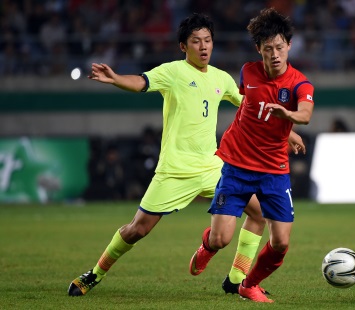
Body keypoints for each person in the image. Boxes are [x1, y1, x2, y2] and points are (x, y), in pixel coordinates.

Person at [67, 13, 305, 297]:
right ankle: (95, 274)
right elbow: (141, 82)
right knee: (137, 230)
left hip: (214, 167)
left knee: (259, 214)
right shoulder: (173, 72)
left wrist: (288, 131)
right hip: (174, 170)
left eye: (208, 41)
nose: (203, 47)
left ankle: (236, 279)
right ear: (184, 46)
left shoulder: (221, 78)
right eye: (196, 41)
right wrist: (116, 78)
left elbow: (255, 106)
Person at [189, 8, 314, 303]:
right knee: (221, 238)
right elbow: (249, 104)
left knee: (281, 242)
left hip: (274, 171)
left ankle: (249, 283)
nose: (274, 54)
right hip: (237, 166)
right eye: (268, 48)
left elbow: (306, 114)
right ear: (259, 49)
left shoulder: (300, 84)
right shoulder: (248, 72)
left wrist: (290, 119)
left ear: (289, 47)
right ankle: (207, 247)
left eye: (280, 47)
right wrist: (284, 129)